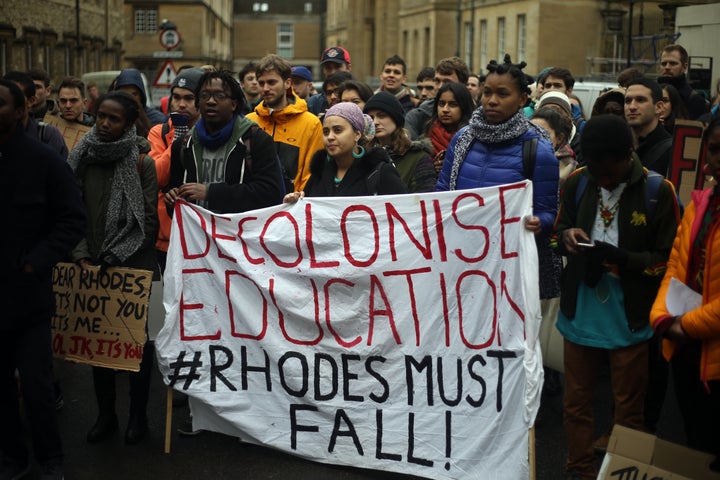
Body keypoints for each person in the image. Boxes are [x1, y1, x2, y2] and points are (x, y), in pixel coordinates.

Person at [553, 114, 680, 480]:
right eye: (595, 168)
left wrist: (624, 261)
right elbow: (557, 230)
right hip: (581, 310)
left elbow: (669, 260)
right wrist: (566, 237)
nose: (602, 176)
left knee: (628, 411)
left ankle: (622, 473)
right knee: (576, 404)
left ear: (629, 154)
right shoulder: (578, 181)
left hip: (632, 315)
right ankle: (580, 470)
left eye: (609, 169)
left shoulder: (659, 191)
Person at [165, 71, 284, 436]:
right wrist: (173, 200)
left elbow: (270, 192)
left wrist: (211, 193)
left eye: (219, 95)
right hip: (199, 256)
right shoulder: (182, 146)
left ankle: (248, 417)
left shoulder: (254, 140)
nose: (210, 101)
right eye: (205, 96)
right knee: (202, 328)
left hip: (243, 254)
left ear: (235, 102)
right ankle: (203, 407)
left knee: (242, 331)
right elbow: (175, 192)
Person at [0, 79, 85, 480]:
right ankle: (12, 458)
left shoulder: (43, 160)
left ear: (20, 111)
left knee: (37, 389)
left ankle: (51, 460)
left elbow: (72, 219)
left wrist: (37, 261)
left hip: (28, 300)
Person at [67, 90, 159, 446]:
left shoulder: (142, 162)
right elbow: (71, 212)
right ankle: (106, 415)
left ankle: (138, 417)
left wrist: (115, 256)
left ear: (129, 124)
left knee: (140, 346)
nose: (104, 124)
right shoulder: (83, 157)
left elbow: (148, 221)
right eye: (100, 116)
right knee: (99, 345)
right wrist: (82, 256)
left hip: (136, 269)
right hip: (91, 266)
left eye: (113, 119)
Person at [650, 116, 720, 471]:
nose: (716, 159)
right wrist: (661, 316)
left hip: (705, 344)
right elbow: (676, 265)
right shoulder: (701, 203)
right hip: (689, 350)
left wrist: (685, 326)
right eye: (715, 148)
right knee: (697, 447)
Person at [283, 102, 406, 201]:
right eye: (326, 132)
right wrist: (295, 204)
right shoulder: (318, 173)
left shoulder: (379, 172)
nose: (330, 137)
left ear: (357, 134)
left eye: (338, 130)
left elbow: (404, 213)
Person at [148, 67, 204, 270]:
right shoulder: (159, 132)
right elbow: (158, 176)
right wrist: (179, 138)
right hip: (167, 236)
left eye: (189, 98)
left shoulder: (213, 133)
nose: (181, 104)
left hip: (203, 236)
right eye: (176, 97)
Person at [246, 54, 324, 194]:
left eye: (271, 82)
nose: (265, 88)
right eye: (261, 83)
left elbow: (311, 175)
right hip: (254, 209)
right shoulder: (248, 122)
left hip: (292, 210)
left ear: (287, 83)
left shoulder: (311, 124)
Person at [364, 91, 435, 193]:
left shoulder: (418, 157)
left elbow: (425, 199)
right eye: (371, 118)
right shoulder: (364, 158)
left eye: (382, 116)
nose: (375, 122)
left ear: (396, 119)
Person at [3, 71, 67, 159]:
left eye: (16, 98)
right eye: (2, 101)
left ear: (30, 101)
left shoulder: (48, 134)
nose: (11, 104)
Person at [405, 56, 470, 140]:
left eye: (447, 82)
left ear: (464, 84)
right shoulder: (417, 117)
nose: (440, 87)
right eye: (437, 81)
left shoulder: (480, 118)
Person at [421, 82, 474, 174]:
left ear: (464, 107)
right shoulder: (425, 139)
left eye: (453, 104)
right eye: (441, 104)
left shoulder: (475, 140)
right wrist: (431, 169)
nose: (445, 109)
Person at [624, 78, 673, 178]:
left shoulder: (672, 152)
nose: (632, 107)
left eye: (640, 100)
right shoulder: (618, 146)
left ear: (659, 107)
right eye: (628, 101)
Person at [658, 44, 709, 120]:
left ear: (684, 67)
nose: (667, 67)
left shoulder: (695, 100)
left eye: (673, 63)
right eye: (664, 64)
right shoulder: (651, 93)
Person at [531, 106, 576, 185]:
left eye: (542, 133)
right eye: (530, 131)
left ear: (559, 138)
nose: (533, 137)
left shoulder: (568, 167)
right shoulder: (518, 155)